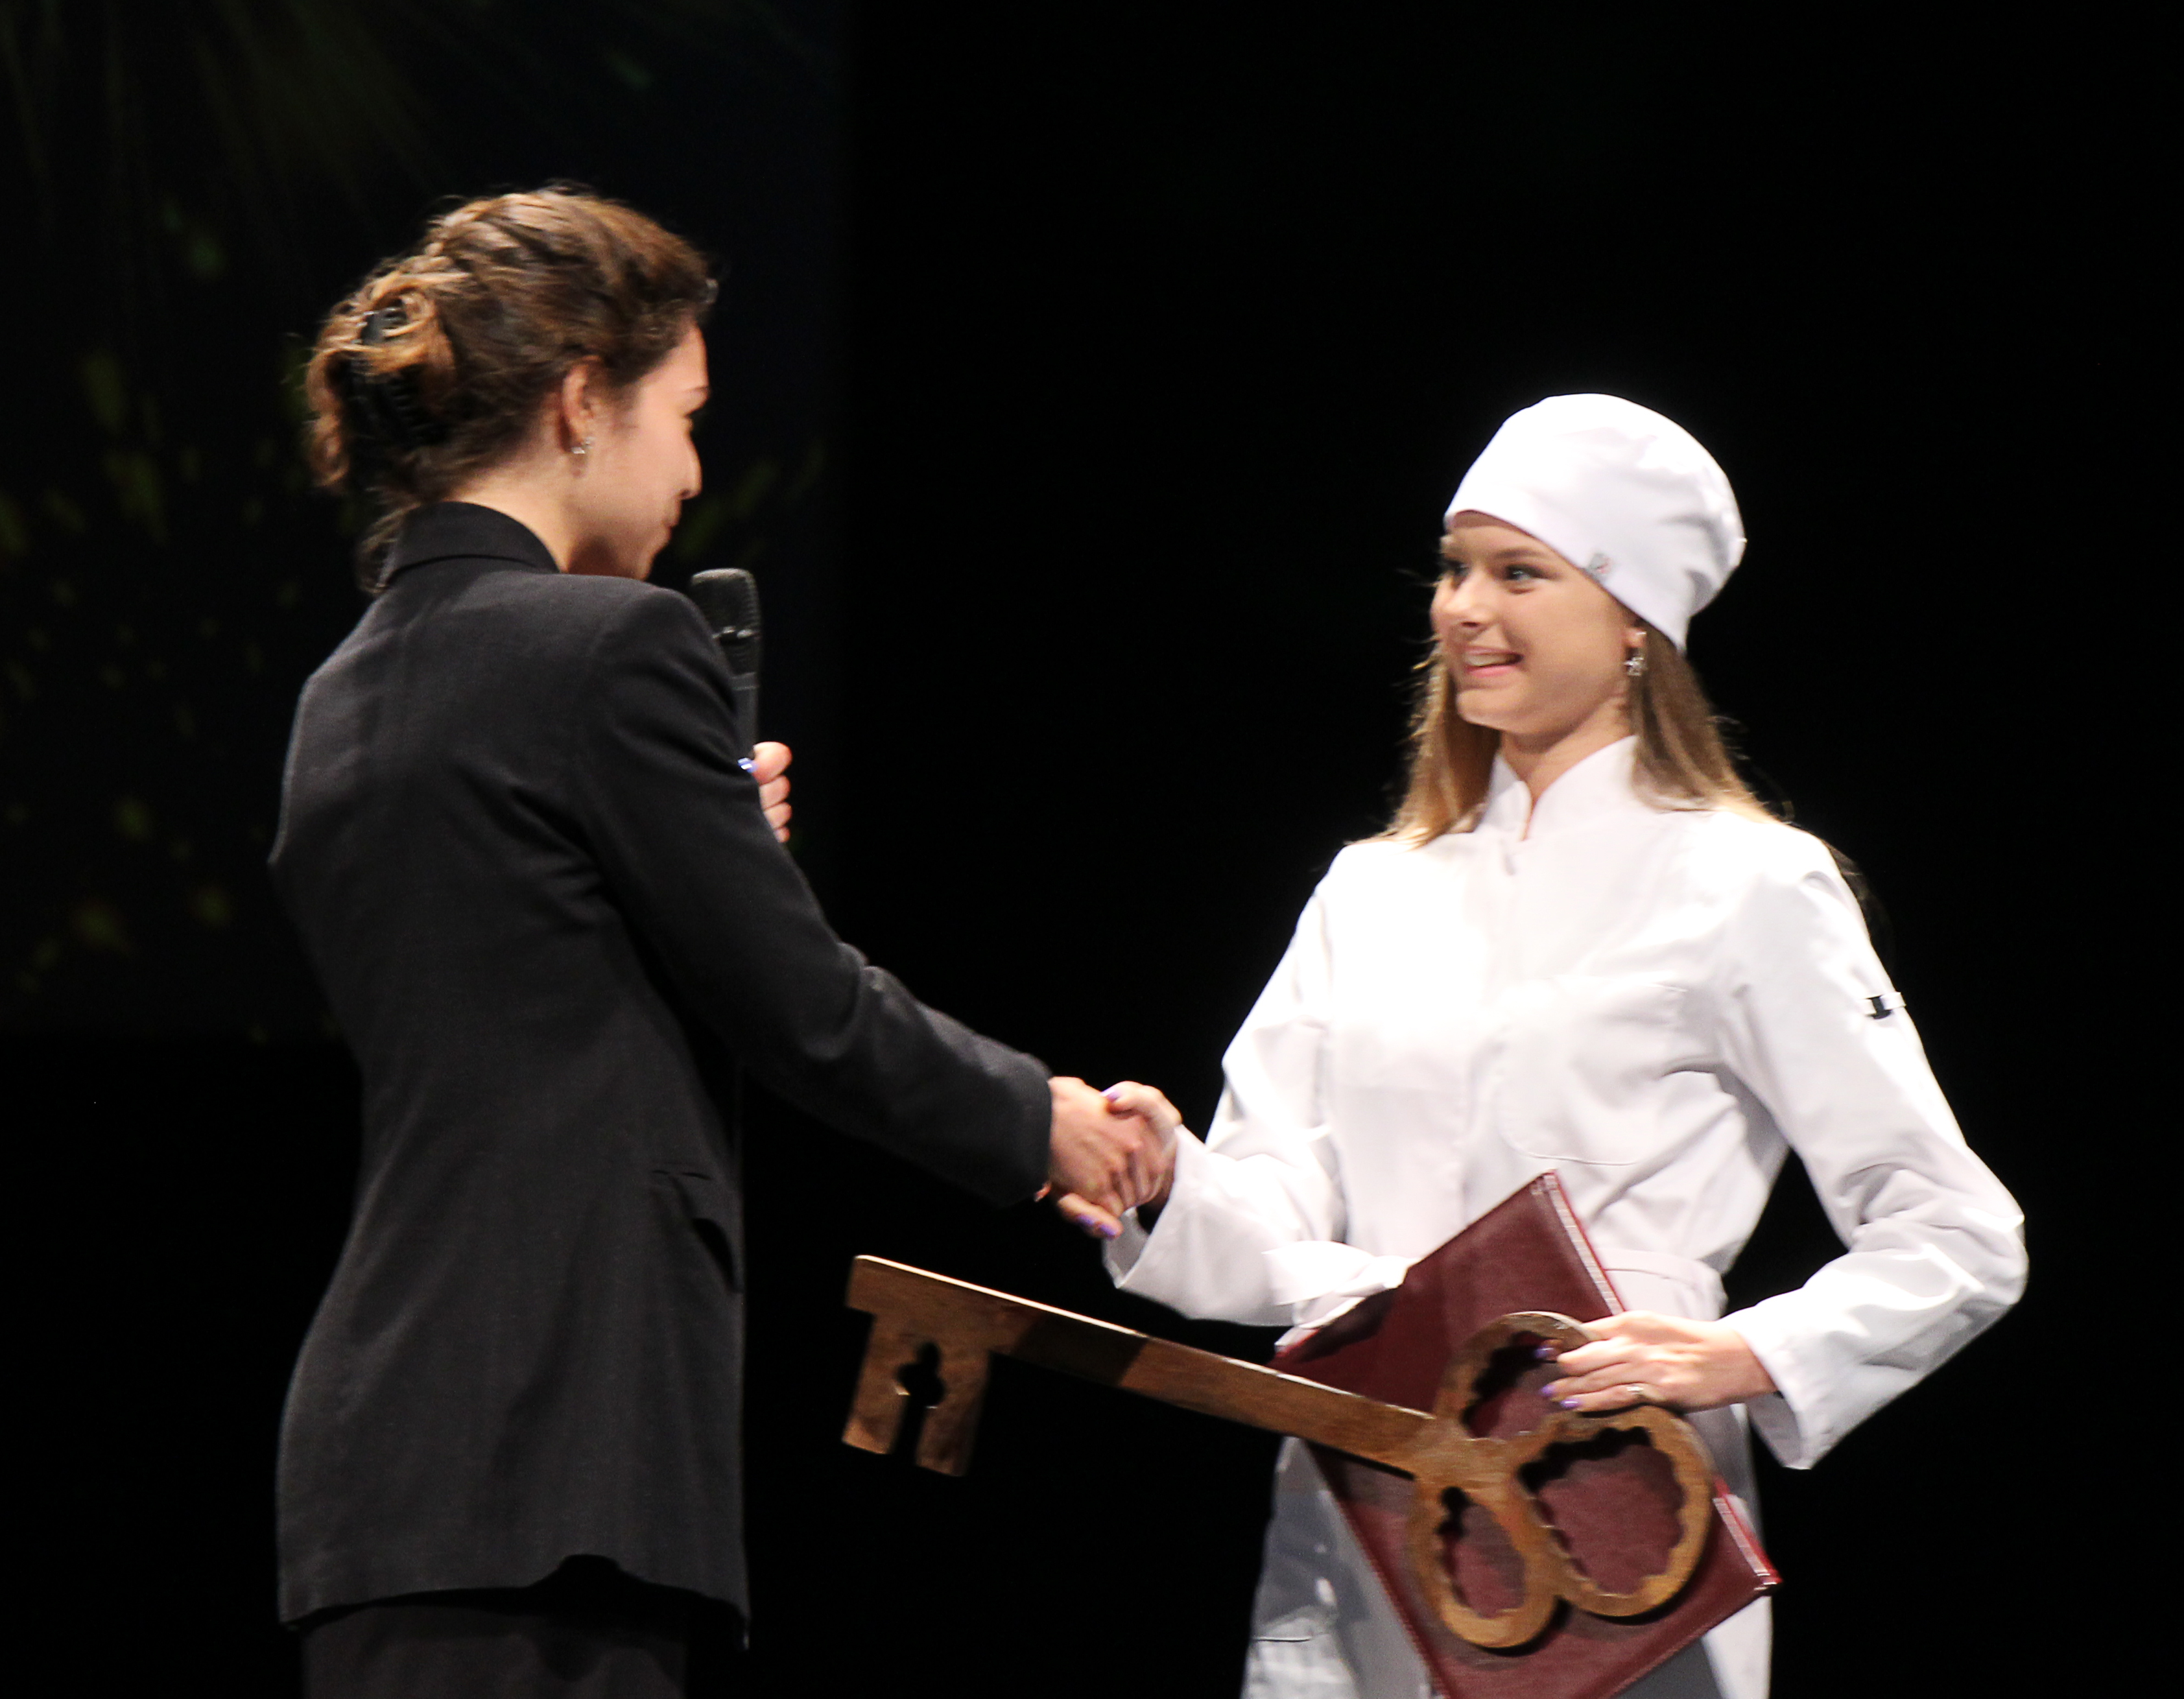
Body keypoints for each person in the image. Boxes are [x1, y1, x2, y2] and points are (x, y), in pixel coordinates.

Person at [271, 187, 1165, 1697]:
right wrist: (1042, 1119)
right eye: (683, 418)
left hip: (387, 1463)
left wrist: (695, 851)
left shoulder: (338, 691)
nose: (693, 470)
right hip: (554, 1443)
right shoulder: (609, 644)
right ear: (579, 402)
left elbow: (521, 963)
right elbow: (808, 1008)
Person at [1060, 395, 2027, 1699]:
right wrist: (1165, 1178)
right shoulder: (1373, 888)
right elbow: (1273, 1216)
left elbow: (1957, 1235)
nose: (1463, 607)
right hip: (1361, 1515)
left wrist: (1747, 1354)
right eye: (1454, 568)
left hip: (1609, 1525)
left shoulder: (1747, 882)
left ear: (1636, 621)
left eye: (1519, 572)